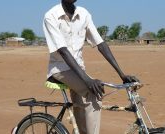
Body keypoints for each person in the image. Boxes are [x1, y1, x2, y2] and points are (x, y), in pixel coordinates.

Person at [43, 0, 139, 134]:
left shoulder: (84, 14)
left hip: (78, 70)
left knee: (83, 105)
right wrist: (87, 80)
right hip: (60, 69)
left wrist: (122, 74)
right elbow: (63, 50)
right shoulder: (51, 16)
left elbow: (100, 43)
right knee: (94, 93)